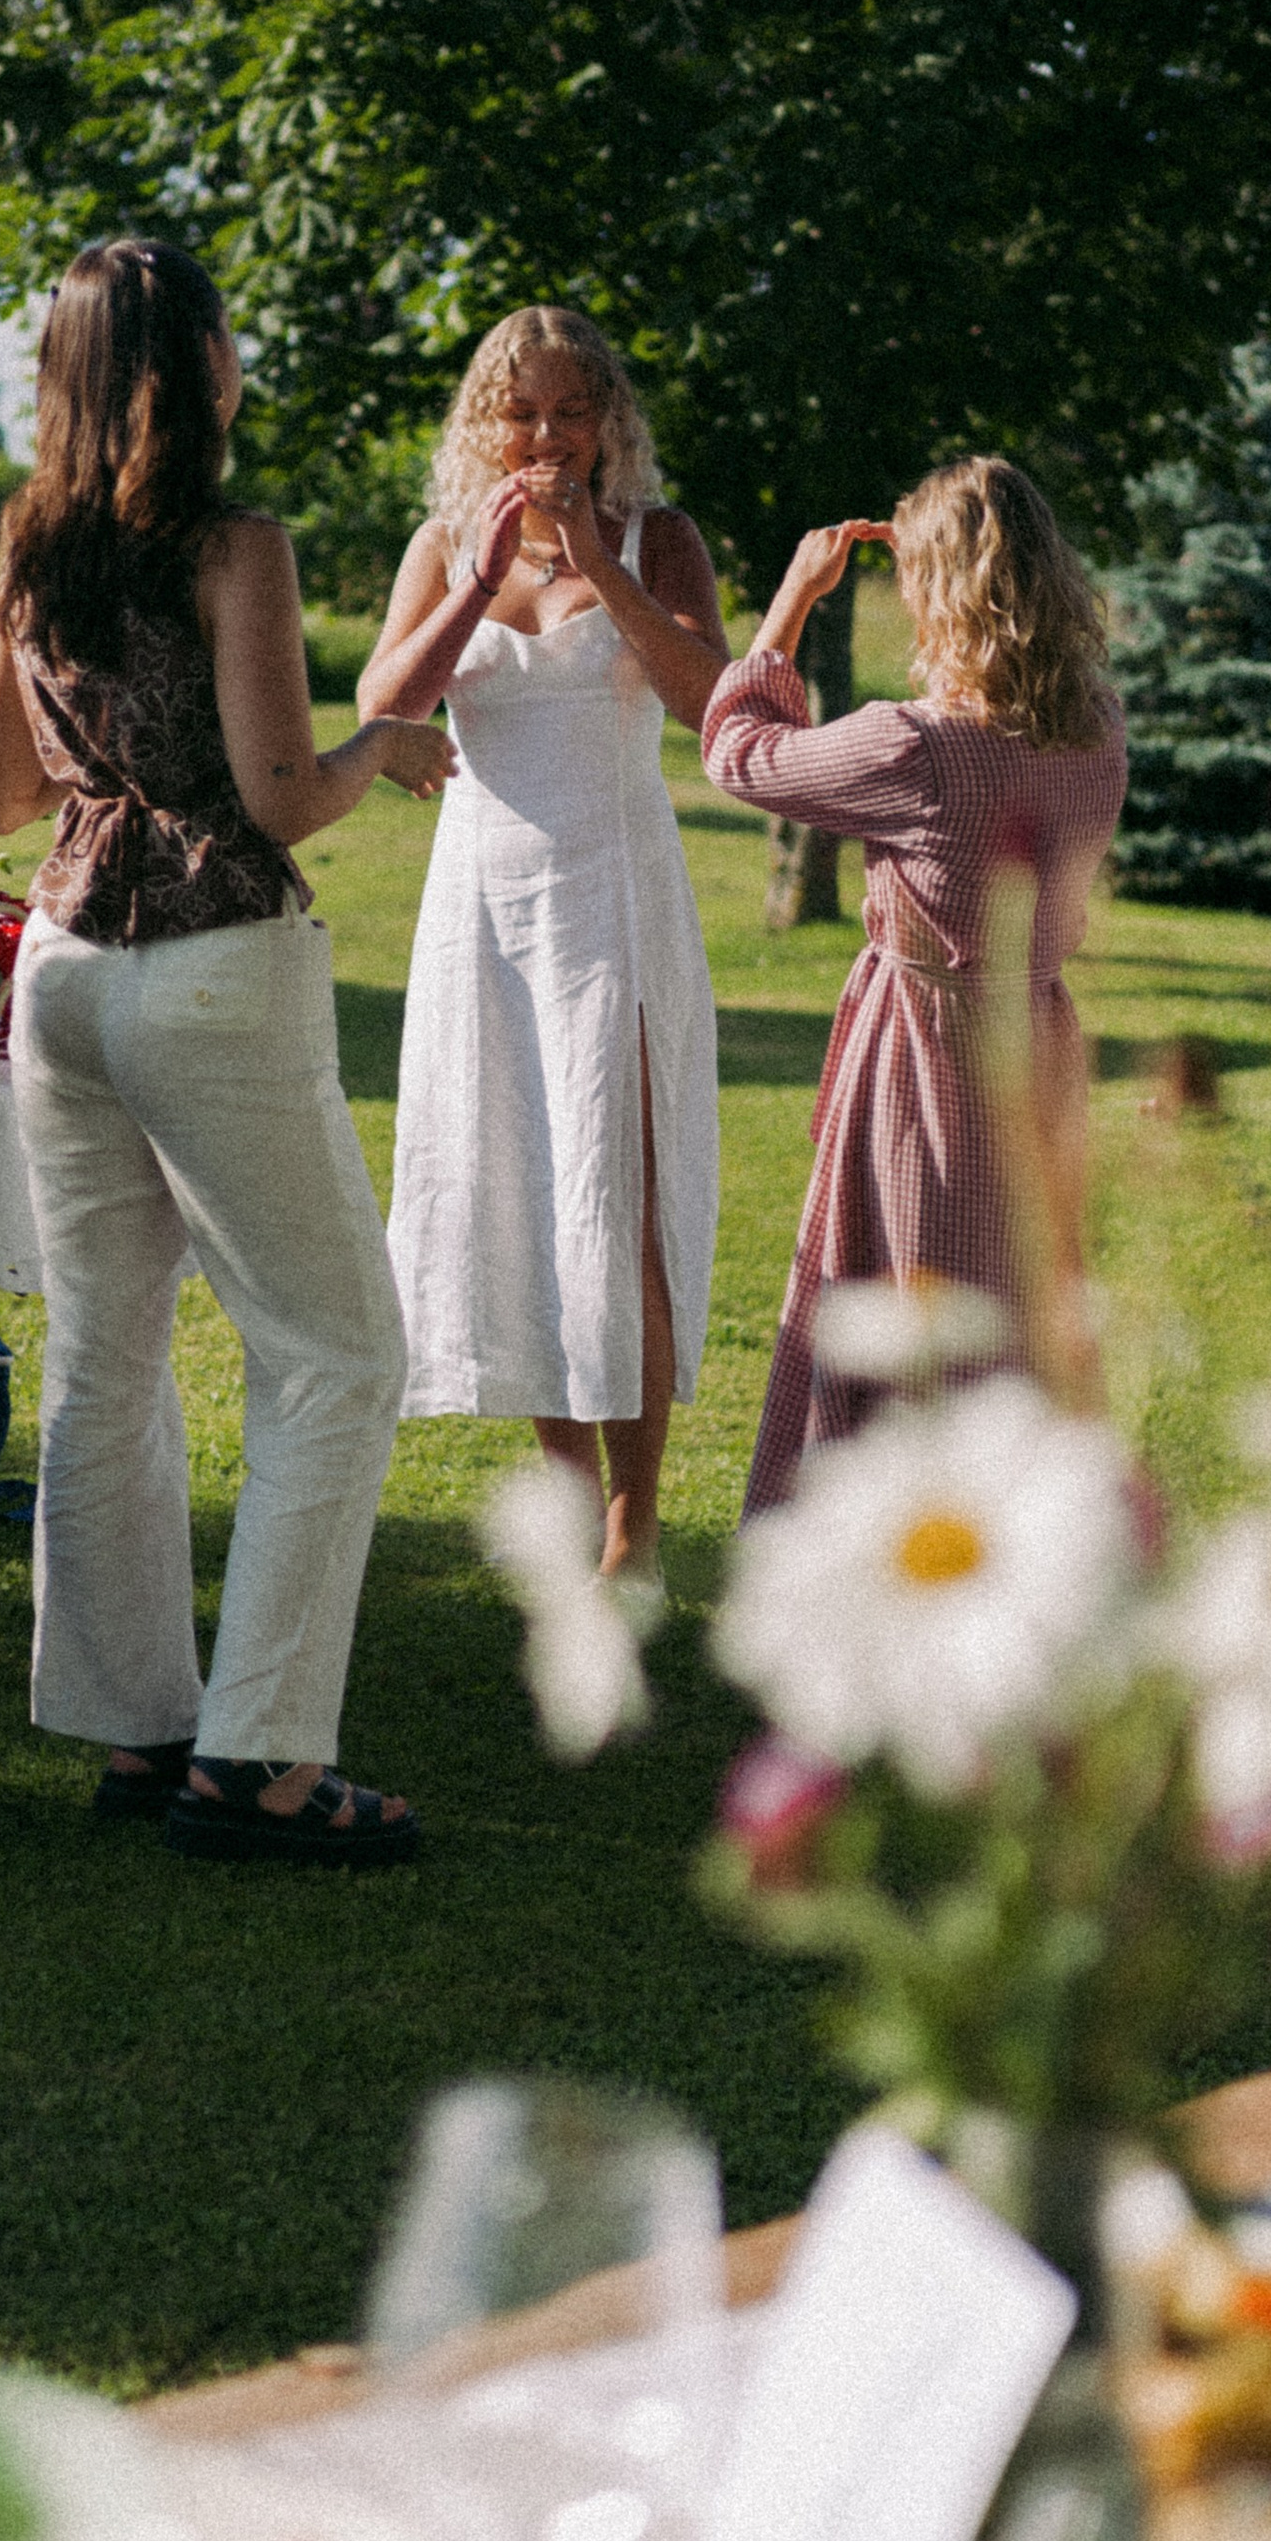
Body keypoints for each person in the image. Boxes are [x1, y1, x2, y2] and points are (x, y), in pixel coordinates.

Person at [0, 237, 454, 1867]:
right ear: (195, 365)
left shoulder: (28, 548)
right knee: (335, 1354)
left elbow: (2, 794)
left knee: (108, 1350)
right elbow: (275, 791)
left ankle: (137, 1728)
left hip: (59, 968)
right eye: (228, 331)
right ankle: (256, 1763)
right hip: (212, 962)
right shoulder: (236, 546)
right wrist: (382, 744)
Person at [360, 306, 727, 1587]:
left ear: (609, 421)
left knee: (614, 1194)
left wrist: (594, 561)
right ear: (484, 422)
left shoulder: (657, 538)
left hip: (613, 897)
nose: (548, 436)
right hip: (483, 905)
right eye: (522, 413)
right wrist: (480, 576)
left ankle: (638, 1507)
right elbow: (385, 706)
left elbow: (707, 703)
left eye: (573, 411)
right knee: (517, 1196)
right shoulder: (447, 543)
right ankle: (569, 1493)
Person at [699, 456, 1128, 1516]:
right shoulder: (1097, 725)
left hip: (926, 1046)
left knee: (905, 1296)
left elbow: (738, 755)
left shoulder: (917, 747)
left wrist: (792, 599)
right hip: (1035, 1037)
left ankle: (880, 1559)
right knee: (1021, 1304)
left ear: (939, 590)